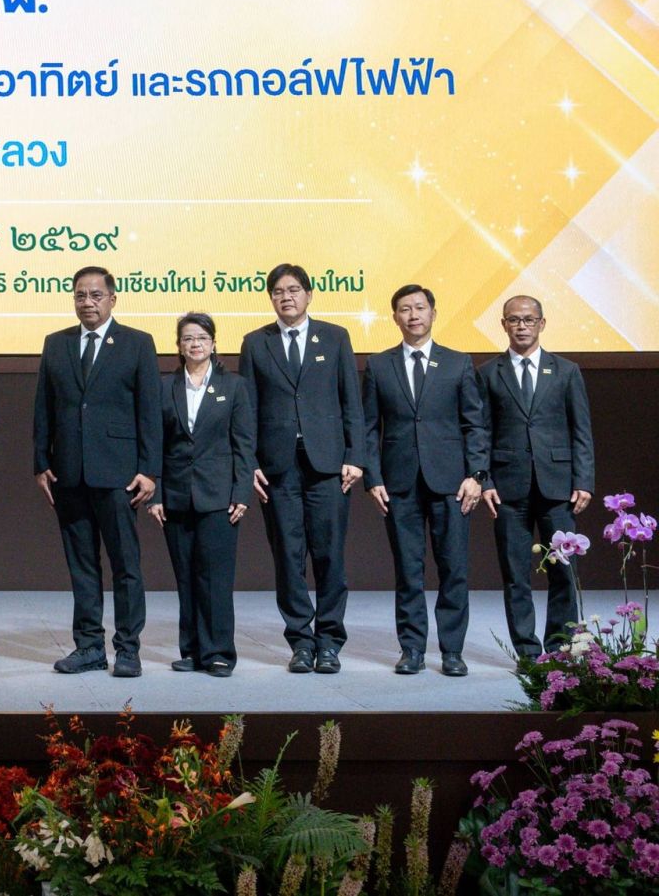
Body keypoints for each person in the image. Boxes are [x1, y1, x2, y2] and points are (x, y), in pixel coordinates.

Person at [33, 266, 162, 678]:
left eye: (95, 295)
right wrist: (41, 462)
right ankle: (89, 647)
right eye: (80, 295)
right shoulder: (56, 343)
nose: (87, 302)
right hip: (68, 474)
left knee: (126, 565)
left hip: (119, 473)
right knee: (82, 565)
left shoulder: (138, 343)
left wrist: (149, 470)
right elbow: (44, 407)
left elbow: (150, 411)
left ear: (112, 299)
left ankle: (128, 648)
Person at [239, 263, 364, 675]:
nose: (286, 297)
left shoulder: (335, 336)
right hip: (277, 467)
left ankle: (329, 642)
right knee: (288, 557)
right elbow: (247, 409)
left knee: (329, 555)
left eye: (293, 290)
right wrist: (250, 462)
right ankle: (300, 642)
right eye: (278, 291)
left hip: (328, 464)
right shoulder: (256, 343)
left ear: (309, 294)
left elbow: (351, 402)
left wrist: (355, 456)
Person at [361, 285, 488, 677]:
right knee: (408, 571)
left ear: (433, 313)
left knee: (454, 570)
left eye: (419, 307)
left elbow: (475, 424)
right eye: (405, 309)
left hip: (452, 483)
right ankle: (412, 649)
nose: (413, 315)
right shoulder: (379, 365)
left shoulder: (458, 363)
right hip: (398, 484)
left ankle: (452, 651)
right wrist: (373, 478)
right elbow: (368, 428)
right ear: (394, 317)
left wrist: (476, 475)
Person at [477, 294, 595, 658]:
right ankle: (527, 652)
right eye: (514, 320)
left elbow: (581, 430)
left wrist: (584, 480)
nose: (522, 326)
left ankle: (560, 648)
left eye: (529, 319)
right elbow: (481, 431)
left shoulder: (566, 371)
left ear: (542, 323)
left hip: (558, 487)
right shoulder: (488, 373)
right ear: (503, 325)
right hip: (507, 489)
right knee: (515, 574)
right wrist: (484, 480)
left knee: (563, 571)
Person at [147, 313, 255, 677]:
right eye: (188, 338)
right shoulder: (165, 387)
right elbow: (156, 443)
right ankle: (192, 650)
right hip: (175, 494)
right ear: (179, 346)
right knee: (186, 576)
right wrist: (156, 493)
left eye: (202, 338)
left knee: (216, 578)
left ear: (213, 343)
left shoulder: (234, 386)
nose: (195, 344)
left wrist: (242, 491)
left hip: (219, 495)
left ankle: (219, 652)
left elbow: (244, 444)